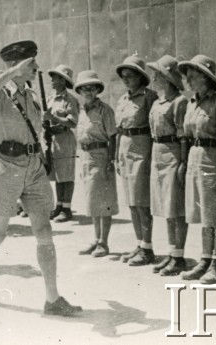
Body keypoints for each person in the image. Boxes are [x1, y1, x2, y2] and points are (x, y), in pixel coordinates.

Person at [0, 40, 81, 316]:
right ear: (17, 65)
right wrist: (11, 72)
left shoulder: (32, 94)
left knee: (44, 231)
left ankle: (52, 298)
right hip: (6, 165)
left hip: (33, 166)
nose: (36, 67)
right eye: (31, 63)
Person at [178, 55, 216, 283]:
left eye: (192, 76)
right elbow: (187, 134)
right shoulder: (192, 103)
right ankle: (205, 259)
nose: (188, 80)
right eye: (187, 76)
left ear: (205, 78)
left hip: (214, 157)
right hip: (195, 158)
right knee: (202, 213)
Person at [147, 55, 189, 276]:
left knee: (176, 209)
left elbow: (183, 135)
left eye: (158, 75)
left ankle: (179, 256)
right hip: (158, 154)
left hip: (173, 154)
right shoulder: (156, 102)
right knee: (165, 208)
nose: (154, 78)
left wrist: (182, 162)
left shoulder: (180, 102)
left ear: (167, 78)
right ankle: (172, 253)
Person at [114, 55, 158, 265]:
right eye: (123, 76)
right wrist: (116, 157)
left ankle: (148, 247)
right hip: (125, 149)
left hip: (142, 150)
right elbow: (119, 129)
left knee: (142, 202)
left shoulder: (150, 97)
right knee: (131, 202)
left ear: (141, 77)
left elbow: (156, 126)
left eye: (130, 76)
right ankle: (139, 243)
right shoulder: (123, 99)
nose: (126, 79)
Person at [76, 70, 119, 257]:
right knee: (92, 200)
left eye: (91, 88)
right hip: (86, 156)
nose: (88, 91)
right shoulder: (82, 111)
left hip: (101, 155)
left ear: (97, 90)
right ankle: (96, 238)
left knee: (105, 200)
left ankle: (104, 242)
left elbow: (113, 136)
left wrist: (111, 160)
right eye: (84, 88)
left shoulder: (105, 110)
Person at [44, 64, 80, 223]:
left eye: (56, 77)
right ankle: (59, 205)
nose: (52, 80)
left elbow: (73, 122)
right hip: (52, 140)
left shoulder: (70, 99)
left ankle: (67, 208)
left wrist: (54, 119)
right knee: (58, 175)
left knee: (66, 175)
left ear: (63, 81)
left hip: (64, 139)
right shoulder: (50, 98)